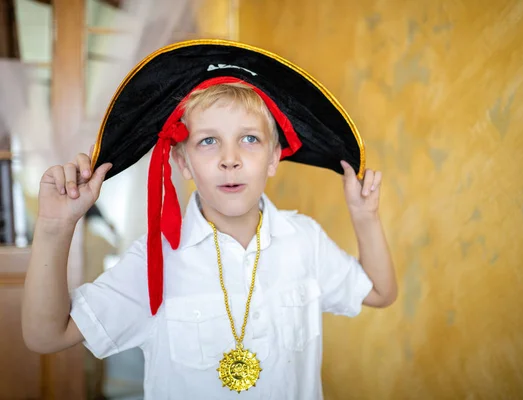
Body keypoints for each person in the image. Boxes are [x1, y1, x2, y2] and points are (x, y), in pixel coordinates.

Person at [22, 40, 397, 399]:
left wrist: (364, 217)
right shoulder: (155, 261)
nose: (229, 158)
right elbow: (46, 336)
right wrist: (55, 228)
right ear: (182, 162)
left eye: (249, 139)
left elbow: (380, 293)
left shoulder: (305, 240)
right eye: (208, 141)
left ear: (274, 157)